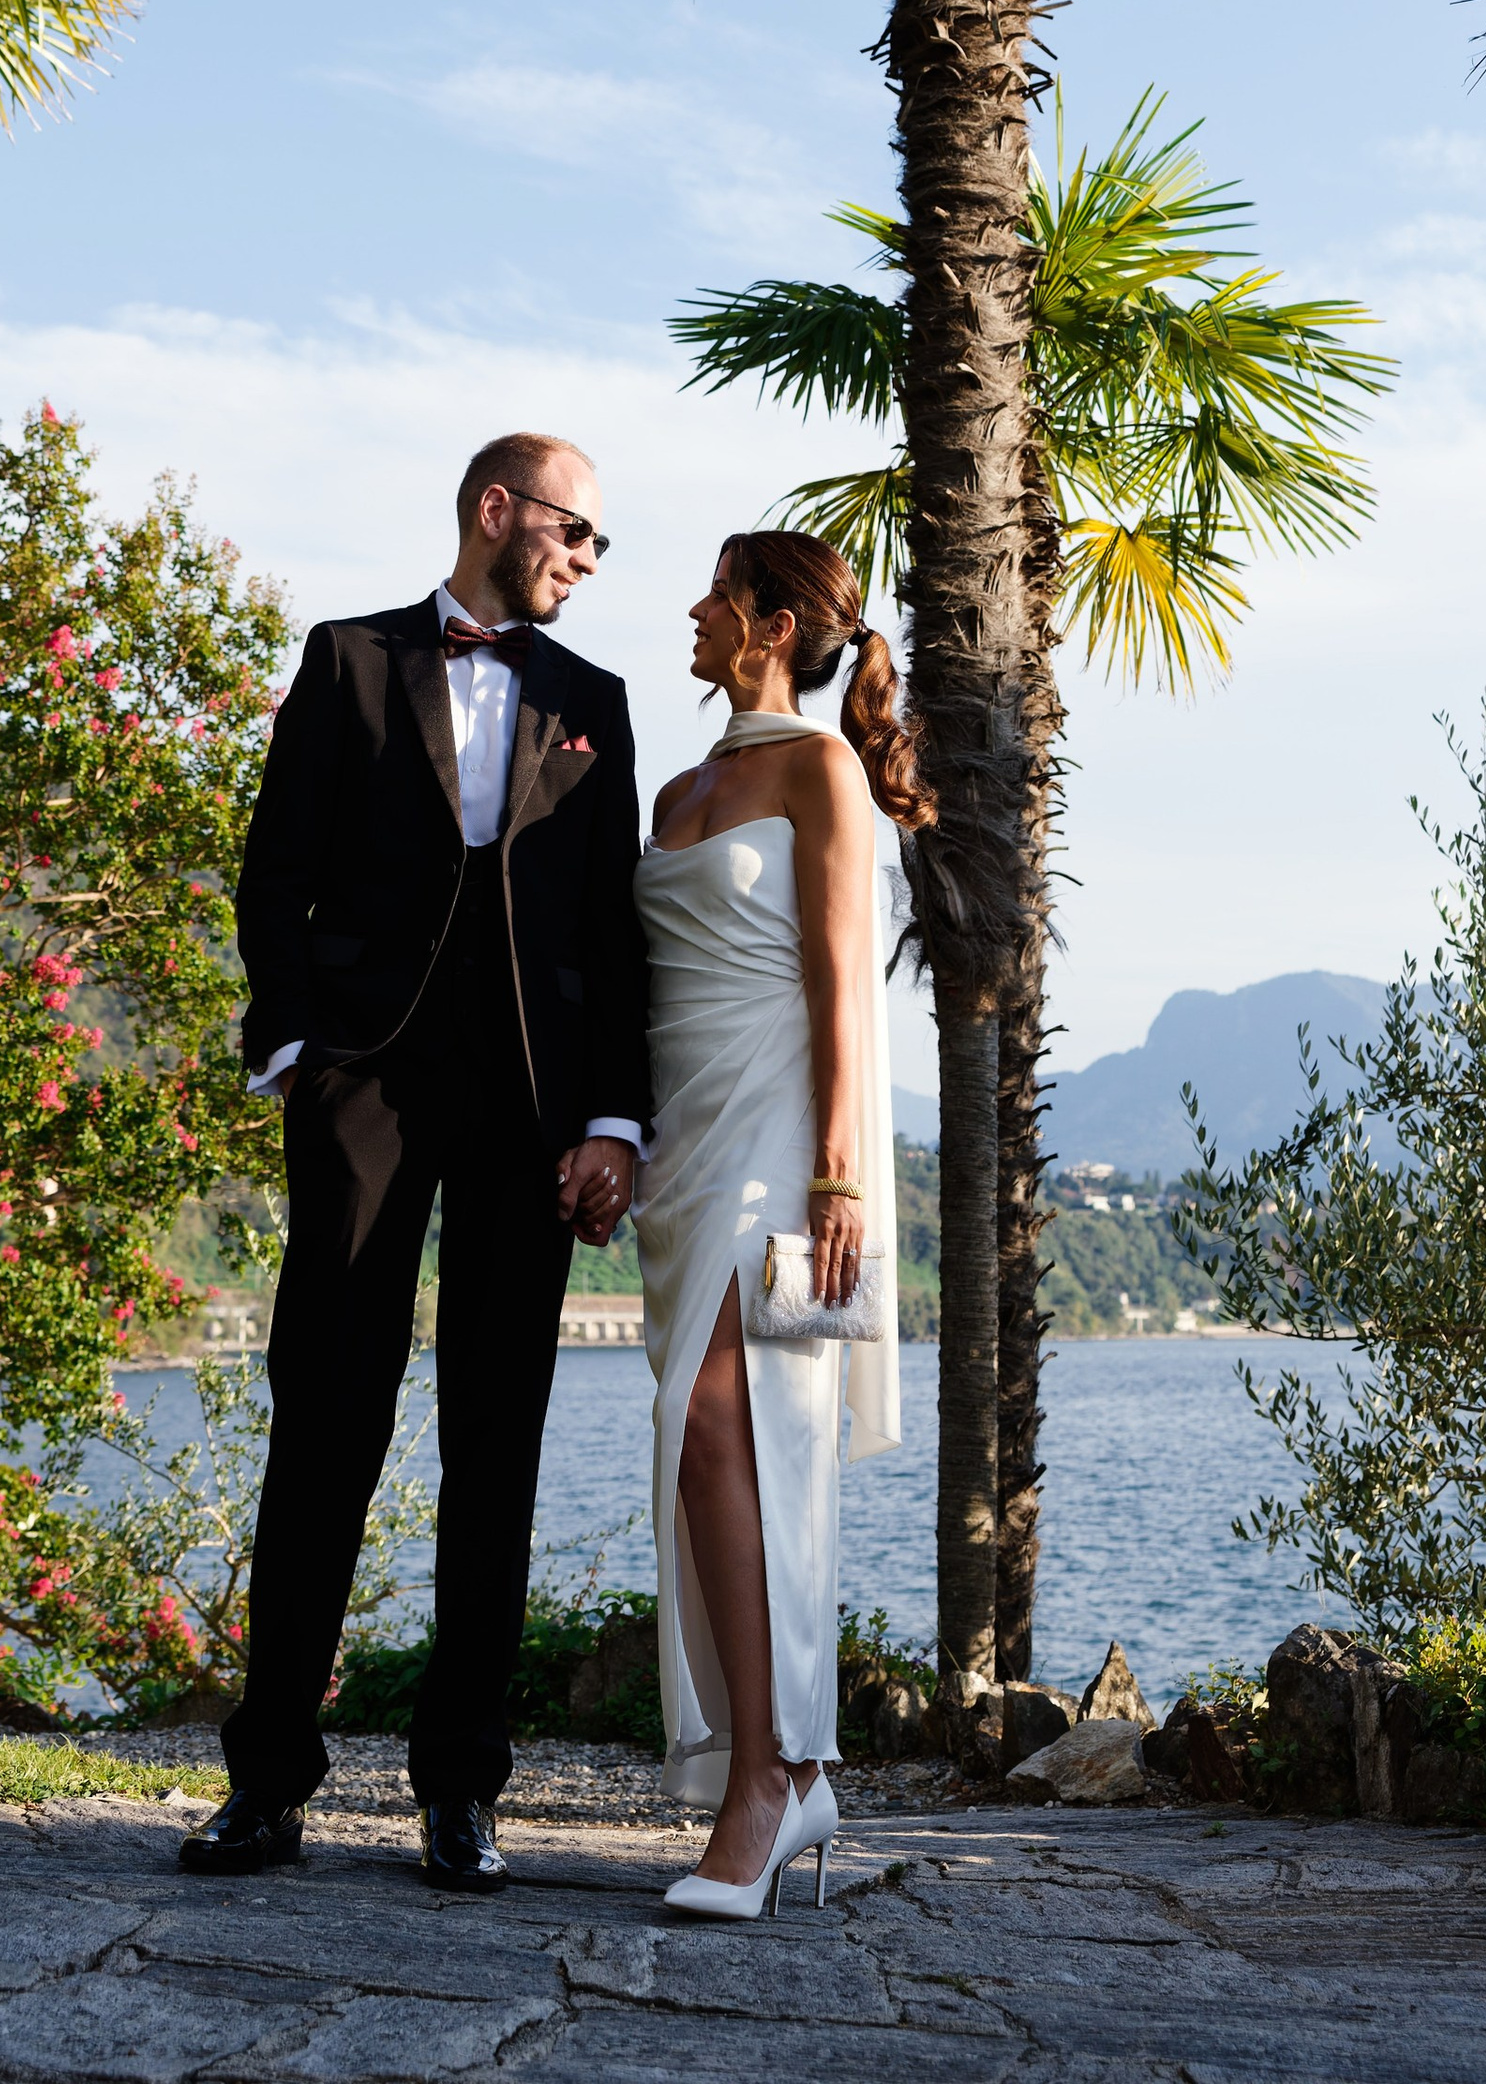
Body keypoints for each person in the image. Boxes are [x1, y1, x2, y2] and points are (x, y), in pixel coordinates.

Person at [183, 433, 650, 1894]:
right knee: (325, 1421)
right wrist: (294, 1049)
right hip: (364, 1087)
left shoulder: (595, 703)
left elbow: (612, 934)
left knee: (496, 1443)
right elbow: (276, 869)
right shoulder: (349, 659)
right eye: (576, 530)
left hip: (531, 1105)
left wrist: (614, 1121)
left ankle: (460, 1792)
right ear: (498, 511)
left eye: (599, 543)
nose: (587, 559)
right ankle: (267, 1784)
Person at [634, 528, 931, 1920]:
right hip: (682, 1148)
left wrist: (840, 1177)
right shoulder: (675, 788)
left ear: (767, 625)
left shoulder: (821, 771)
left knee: (730, 1424)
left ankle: (771, 1780)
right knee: (706, 1447)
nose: (694, 610)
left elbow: (842, 984)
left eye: (718, 593)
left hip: (781, 1136)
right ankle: (780, 1770)